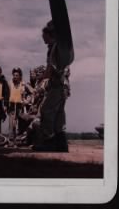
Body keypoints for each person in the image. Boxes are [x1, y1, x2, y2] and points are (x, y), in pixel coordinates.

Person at [32, 20, 71, 152]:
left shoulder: (54, 48)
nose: (44, 41)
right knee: (59, 114)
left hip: (56, 85)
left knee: (46, 111)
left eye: (45, 38)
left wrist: (40, 80)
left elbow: (49, 69)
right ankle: (61, 144)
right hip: (63, 87)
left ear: (50, 35)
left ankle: (49, 141)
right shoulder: (60, 49)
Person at [7, 67, 26, 147]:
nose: (15, 76)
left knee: (18, 124)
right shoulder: (10, 83)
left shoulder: (23, 84)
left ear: (20, 76)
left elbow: (24, 95)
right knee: (11, 123)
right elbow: (7, 94)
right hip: (11, 105)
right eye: (14, 75)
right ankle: (10, 140)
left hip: (19, 106)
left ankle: (18, 141)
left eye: (17, 75)